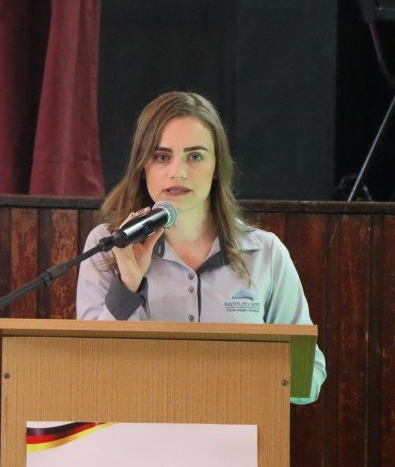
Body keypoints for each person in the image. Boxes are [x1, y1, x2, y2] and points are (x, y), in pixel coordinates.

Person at [76, 91, 326, 404]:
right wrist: (127, 283)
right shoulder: (110, 245)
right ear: (142, 166)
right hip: (137, 439)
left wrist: (235, 378)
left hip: (239, 442)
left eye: (195, 156)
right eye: (162, 156)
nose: (177, 171)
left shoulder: (265, 252)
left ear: (218, 166)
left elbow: (309, 379)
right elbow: (87, 370)